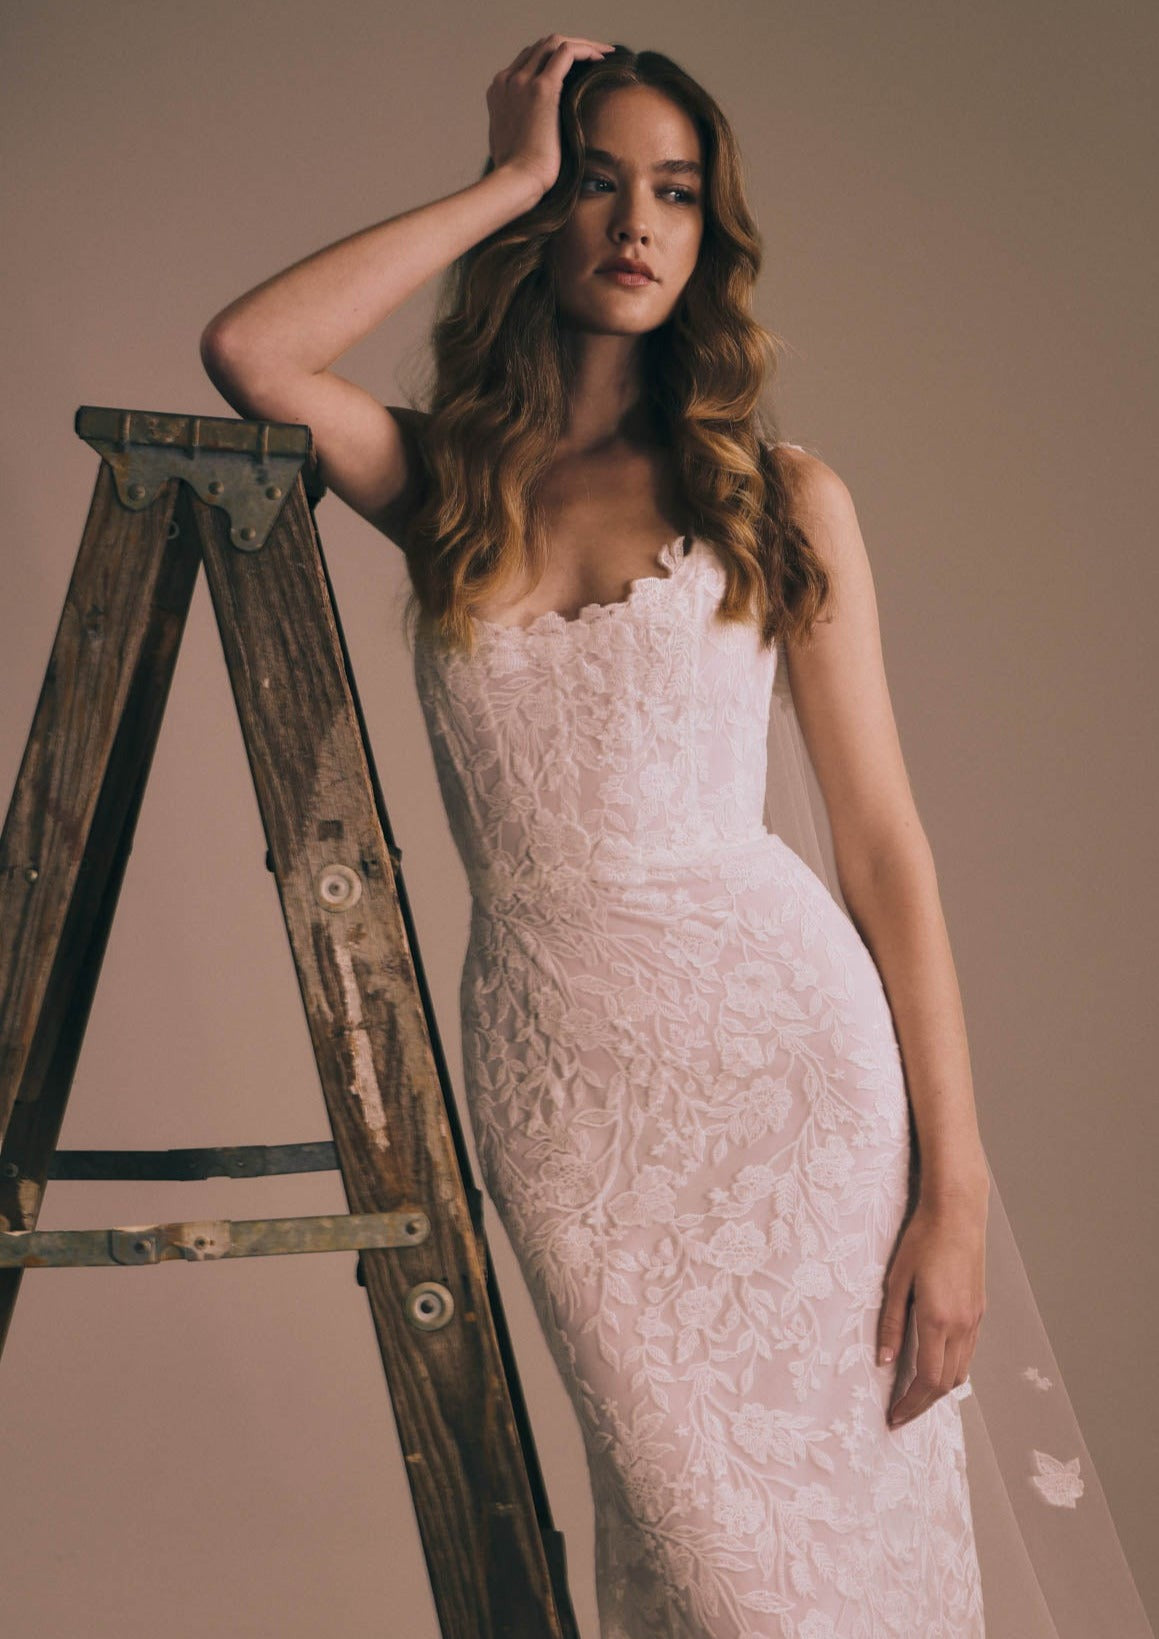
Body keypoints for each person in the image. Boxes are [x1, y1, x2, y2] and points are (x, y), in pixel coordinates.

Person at [199, 37, 1154, 1639]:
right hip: (564, 1103)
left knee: (819, 1580)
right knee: (696, 1563)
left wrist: (958, 1190)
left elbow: (883, 851)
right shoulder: (451, 488)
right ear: (543, 216)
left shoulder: (778, 496)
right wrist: (501, 173)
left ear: (713, 231)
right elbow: (252, 351)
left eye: (677, 192)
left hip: (794, 1088)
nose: (637, 223)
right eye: (596, 182)